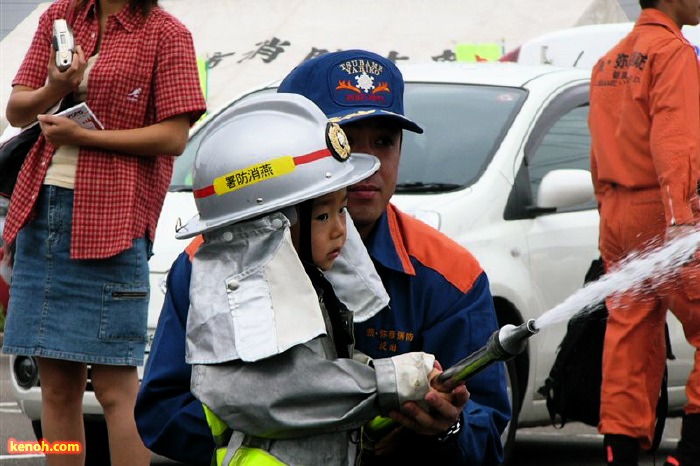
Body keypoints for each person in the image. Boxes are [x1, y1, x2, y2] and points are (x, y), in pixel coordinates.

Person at [136, 49, 510, 465]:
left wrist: (447, 429)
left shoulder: (449, 277)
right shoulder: (208, 267)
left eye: (385, 141)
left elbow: (488, 433)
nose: (369, 164)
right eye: (345, 140)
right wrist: (298, 427)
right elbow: (162, 411)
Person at [178, 91, 458, 465]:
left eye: (341, 209)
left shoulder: (305, 285)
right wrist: (388, 382)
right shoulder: (238, 300)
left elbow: (322, 368)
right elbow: (278, 392)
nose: (342, 230)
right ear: (268, 228)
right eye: (324, 216)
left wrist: (394, 388)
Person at [1, 0, 206, 465]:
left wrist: (87, 138)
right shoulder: (61, 16)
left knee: (116, 387)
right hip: (41, 213)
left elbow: (174, 137)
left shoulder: (166, 33)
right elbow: (16, 110)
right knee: (55, 387)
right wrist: (54, 86)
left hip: (114, 220)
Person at [588, 1, 700, 465]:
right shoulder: (672, 53)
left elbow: (597, 151)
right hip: (663, 211)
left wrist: (609, 215)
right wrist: (681, 220)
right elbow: (677, 140)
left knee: (629, 333)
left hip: (617, 213)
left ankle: (621, 452)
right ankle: (693, 451)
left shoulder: (607, 61)